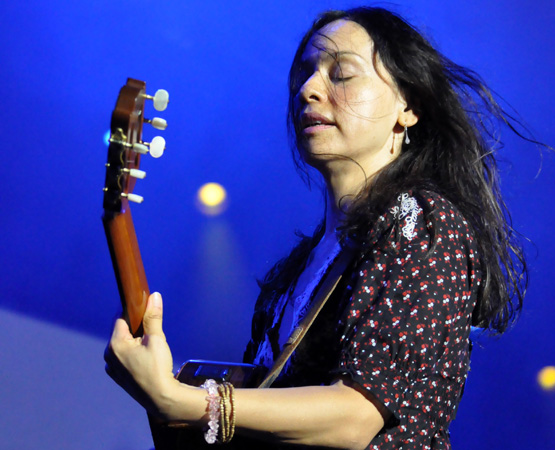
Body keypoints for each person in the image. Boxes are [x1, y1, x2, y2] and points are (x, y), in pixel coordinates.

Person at [105, 7, 527, 450]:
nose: (308, 90)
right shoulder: (299, 268)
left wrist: (187, 402)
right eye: (305, 75)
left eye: (341, 74)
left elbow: (355, 416)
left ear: (408, 106)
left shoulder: (418, 222)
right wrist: (168, 395)